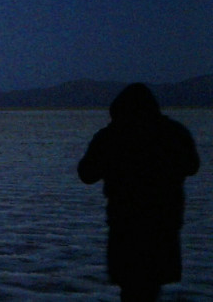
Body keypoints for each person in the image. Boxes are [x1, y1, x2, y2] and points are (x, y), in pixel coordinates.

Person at [78, 83, 200, 302]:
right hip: (164, 222)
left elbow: (86, 174)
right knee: (150, 286)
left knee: (132, 287)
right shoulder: (173, 132)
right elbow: (192, 166)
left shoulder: (111, 136)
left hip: (126, 223)